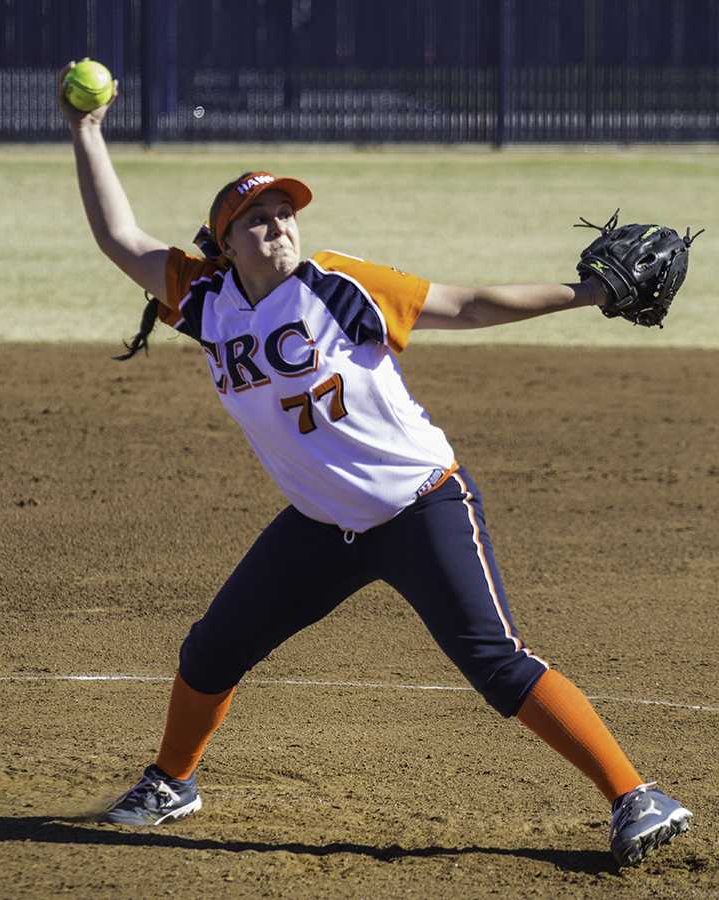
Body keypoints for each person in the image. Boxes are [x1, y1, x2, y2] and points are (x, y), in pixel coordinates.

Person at [59, 62, 691, 868]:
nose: (279, 227)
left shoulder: (341, 284)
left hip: (422, 505)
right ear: (225, 241)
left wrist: (589, 294)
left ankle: (637, 796)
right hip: (323, 528)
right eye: (258, 218)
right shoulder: (206, 303)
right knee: (211, 651)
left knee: (494, 661)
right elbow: (122, 238)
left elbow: (470, 303)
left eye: (285, 213)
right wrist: (86, 130)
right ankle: (171, 782)